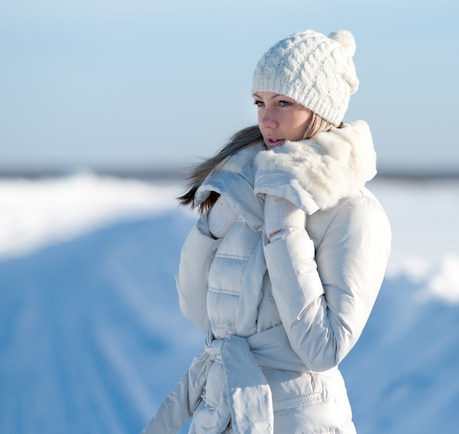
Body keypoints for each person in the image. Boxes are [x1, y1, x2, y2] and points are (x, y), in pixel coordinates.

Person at [142, 29, 391, 434]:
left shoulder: (355, 213)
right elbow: (200, 313)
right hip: (222, 411)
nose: (266, 120)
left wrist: (285, 229)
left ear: (320, 110)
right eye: (260, 102)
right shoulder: (246, 189)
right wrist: (213, 225)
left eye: (284, 103)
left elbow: (324, 348)